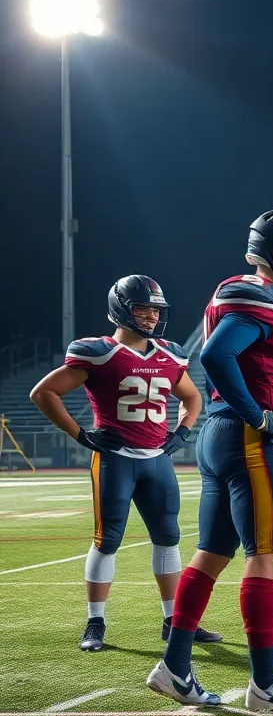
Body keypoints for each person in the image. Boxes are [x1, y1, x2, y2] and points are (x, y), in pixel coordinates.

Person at [147, 209, 273, 710]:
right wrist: (259, 416)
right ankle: (267, 684)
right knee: (268, 554)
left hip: (224, 433)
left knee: (212, 553)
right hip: (248, 437)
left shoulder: (271, 299)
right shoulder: (266, 294)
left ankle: (175, 666)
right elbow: (215, 354)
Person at [30, 275, 217, 651]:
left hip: (156, 461)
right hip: (115, 460)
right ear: (121, 309)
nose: (150, 316)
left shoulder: (170, 353)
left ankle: (174, 621)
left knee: (168, 538)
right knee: (107, 540)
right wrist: (81, 435)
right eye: (143, 308)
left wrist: (180, 432)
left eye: (155, 310)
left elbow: (193, 398)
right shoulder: (98, 352)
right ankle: (95, 622)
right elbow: (44, 391)